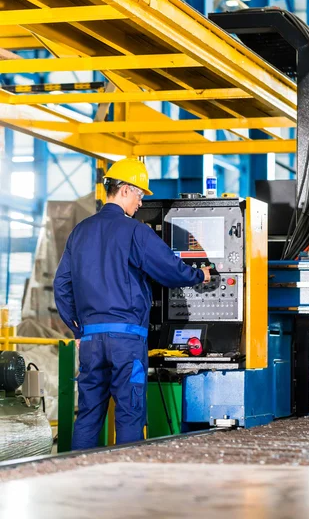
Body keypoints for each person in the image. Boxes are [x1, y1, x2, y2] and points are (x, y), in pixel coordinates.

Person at [54, 157, 210, 450]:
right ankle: (128, 484)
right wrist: (198, 275)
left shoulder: (79, 232)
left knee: (88, 413)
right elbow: (168, 269)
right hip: (126, 341)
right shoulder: (135, 232)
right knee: (129, 413)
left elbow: (62, 286)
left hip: (90, 340)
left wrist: (77, 330)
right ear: (124, 190)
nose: (140, 203)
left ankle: (77, 478)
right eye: (139, 194)